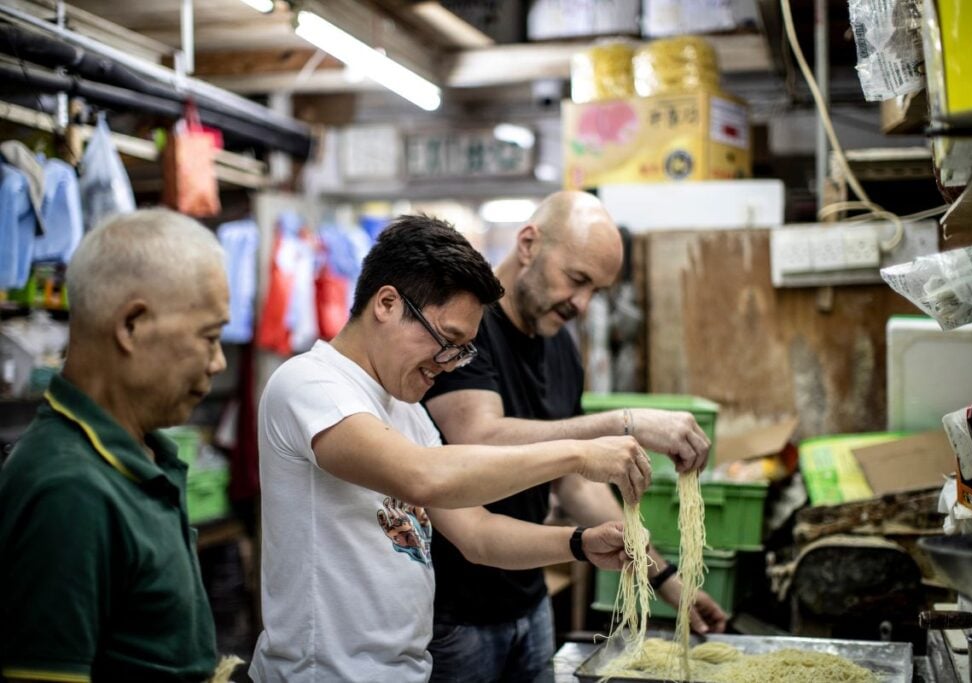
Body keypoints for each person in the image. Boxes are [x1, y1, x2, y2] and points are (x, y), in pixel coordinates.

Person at [249, 215, 653, 683]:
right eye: (448, 341)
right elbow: (423, 475)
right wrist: (578, 453)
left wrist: (579, 543)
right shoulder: (309, 384)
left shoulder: (407, 411)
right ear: (386, 303)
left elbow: (478, 535)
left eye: (463, 351)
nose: (449, 364)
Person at [423, 191, 729, 682]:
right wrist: (620, 422)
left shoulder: (560, 345)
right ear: (528, 243)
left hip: (529, 599)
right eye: (578, 279)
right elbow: (477, 438)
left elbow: (575, 483)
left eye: (596, 292)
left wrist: (665, 578)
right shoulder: (465, 330)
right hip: (455, 616)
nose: (582, 304)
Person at [0, 209, 229, 682]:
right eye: (209, 337)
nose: (219, 362)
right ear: (132, 326)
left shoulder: (140, 455)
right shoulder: (68, 490)